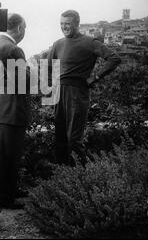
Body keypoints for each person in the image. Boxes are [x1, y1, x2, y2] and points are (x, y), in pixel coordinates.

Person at [47, 10, 121, 166]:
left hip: (77, 93)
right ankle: (62, 178)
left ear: (77, 23)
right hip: (59, 93)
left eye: (67, 24)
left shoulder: (89, 42)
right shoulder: (58, 44)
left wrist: (94, 78)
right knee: (60, 139)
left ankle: (81, 177)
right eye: (61, 24)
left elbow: (114, 58)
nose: (64, 27)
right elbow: (47, 67)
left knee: (73, 140)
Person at [0, 13, 30, 209]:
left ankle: (5, 192)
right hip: (12, 109)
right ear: (19, 28)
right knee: (9, 156)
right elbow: (25, 81)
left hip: (0, 107)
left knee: (2, 154)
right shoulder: (13, 49)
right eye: (25, 28)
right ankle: (5, 198)